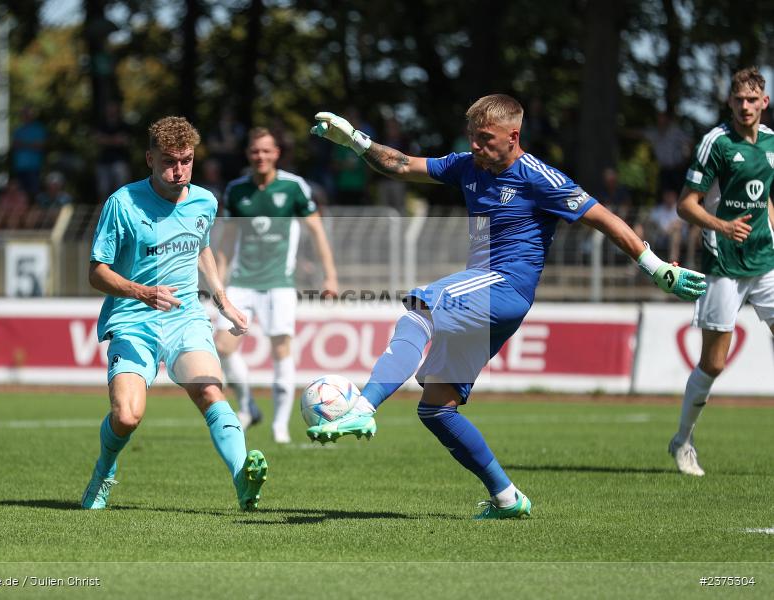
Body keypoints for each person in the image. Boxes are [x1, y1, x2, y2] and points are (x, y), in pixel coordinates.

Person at [309, 95, 706, 519]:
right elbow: (402, 164)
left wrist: (655, 266)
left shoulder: (539, 177)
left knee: (419, 304)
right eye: (472, 138)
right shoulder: (467, 165)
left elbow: (603, 218)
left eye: (485, 139)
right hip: (481, 294)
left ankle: (363, 407)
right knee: (437, 408)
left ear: (513, 136)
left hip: (505, 289)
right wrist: (355, 141)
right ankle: (506, 497)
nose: (476, 147)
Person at [81, 116, 268, 511]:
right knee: (128, 416)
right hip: (133, 319)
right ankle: (104, 472)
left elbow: (201, 248)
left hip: (185, 318)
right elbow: (97, 272)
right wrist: (141, 292)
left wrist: (222, 300)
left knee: (209, 389)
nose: (178, 170)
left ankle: (242, 478)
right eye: (169, 161)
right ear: (149, 158)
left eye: (186, 160)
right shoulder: (122, 203)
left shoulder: (205, 200)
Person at [668, 67, 774, 476]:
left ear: (764, 102)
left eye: (753, 99)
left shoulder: (770, 144)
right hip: (724, 265)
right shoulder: (716, 143)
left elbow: (765, 200)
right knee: (713, 364)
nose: (745, 106)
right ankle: (683, 440)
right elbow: (686, 204)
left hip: (764, 262)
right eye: (738, 99)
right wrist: (724, 226)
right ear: (730, 102)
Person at [214, 127, 339, 444]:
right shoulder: (236, 190)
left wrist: (330, 275)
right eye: (255, 151)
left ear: (277, 153)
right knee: (222, 346)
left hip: (279, 283)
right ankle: (248, 408)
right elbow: (227, 241)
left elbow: (316, 232)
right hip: (241, 282)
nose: (261, 156)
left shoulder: (294, 187)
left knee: (280, 349)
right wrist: (219, 285)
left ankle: (280, 426)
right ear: (248, 154)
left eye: (267, 151)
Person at [94, 102, 132, 202]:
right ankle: (104, 213)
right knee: (103, 190)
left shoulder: (123, 124)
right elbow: (98, 140)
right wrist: (115, 140)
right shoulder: (101, 124)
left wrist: (106, 140)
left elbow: (124, 141)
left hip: (120, 161)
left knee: (121, 189)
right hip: (103, 162)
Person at [11, 106, 48, 199]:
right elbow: (15, 146)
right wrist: (30, 144)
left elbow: (40, 146)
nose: (25, 116)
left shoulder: (38, 129)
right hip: (19, 167)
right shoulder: (18, 130)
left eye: (27, 114)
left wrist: (22, 144)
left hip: (33, 167)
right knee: (20, 193)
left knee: (33, 192)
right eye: (23, 114)